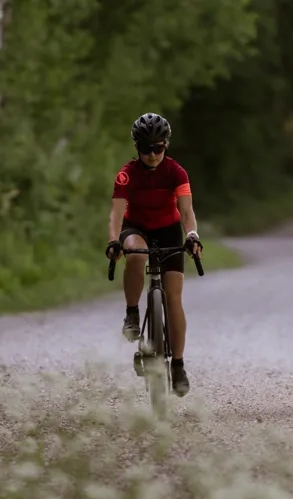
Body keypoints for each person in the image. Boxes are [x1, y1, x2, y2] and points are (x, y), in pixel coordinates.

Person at [105, 112, 203, 397]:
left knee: (174, 298)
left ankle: (179, 365)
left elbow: (186, 211)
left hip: (169, 230)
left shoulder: (176, 172)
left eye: (157, 148)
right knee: (134, 253)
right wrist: (113, 240)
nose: (152, 154)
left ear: (166, 145)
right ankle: (132, 312)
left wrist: (192, 235)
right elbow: (117, 213)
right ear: (137, 147)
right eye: (146, 148)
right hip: (137, 227)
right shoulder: (127, 174)